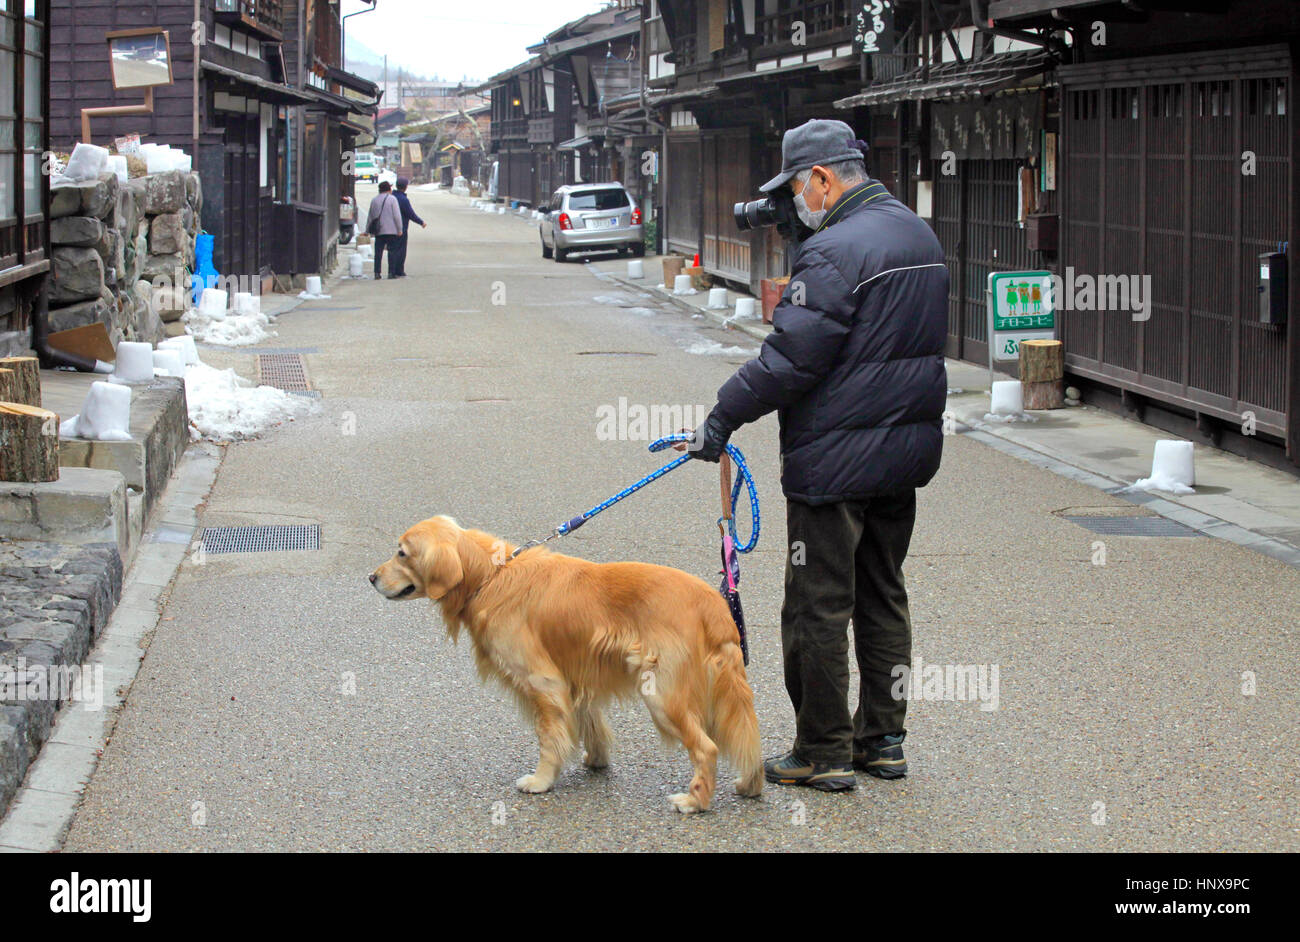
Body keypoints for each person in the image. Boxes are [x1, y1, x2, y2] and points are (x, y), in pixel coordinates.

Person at [688, 118, 949, 792]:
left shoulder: (833, 253)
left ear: (824, 179)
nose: (795, 204)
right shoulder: (916, 234)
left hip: (834, 465)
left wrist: (722, 414)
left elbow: (789, 362)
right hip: (903, 454)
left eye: (798, 190)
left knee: (817, 607)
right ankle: (883, 741)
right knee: (884, 594)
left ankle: (822, 751)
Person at [390, 176, 427, 278]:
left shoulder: (391, 197)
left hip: (390, 227)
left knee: (392, 249)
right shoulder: (403, 199)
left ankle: (391, 270)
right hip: (401, 228)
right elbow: (411, 214)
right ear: (405, 187)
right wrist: (421, 222)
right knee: (401, 250)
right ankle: (399, 270)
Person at [365, 181, 403, 279]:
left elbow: (370, 216)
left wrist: (367, 230)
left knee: (378, 253)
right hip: (391, 230)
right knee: (392, 251)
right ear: (388, 189)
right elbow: (397, 216)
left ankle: (377, 273)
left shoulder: (374, 200)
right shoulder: (392, 199)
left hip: (379, 231)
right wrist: (399, 229)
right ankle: (391, 273)